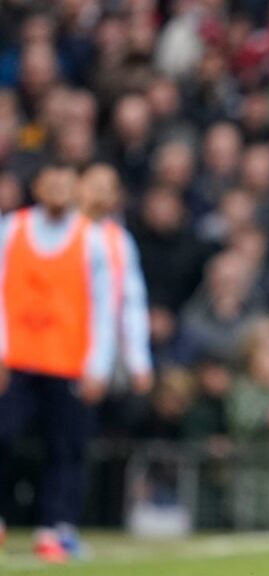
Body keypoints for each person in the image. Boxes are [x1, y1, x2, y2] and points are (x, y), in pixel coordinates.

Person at [0, 164, 116, 562]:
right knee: (3, 437)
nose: (59, 191)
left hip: (67, 362)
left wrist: (98, 366)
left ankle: (55, 527)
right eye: (52, 183)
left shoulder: (91, 239)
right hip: (16, 359)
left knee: (65, 449)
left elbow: (104, 306)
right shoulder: (10, 230)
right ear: (37, 186)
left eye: (66, 184)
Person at [77, 164, 153, 397]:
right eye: (94, 186)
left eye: (108, 189)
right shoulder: (62, 232)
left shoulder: (119, 240)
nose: (100, 194)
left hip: (103, 350)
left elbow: (131, 302)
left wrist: (139, 361)